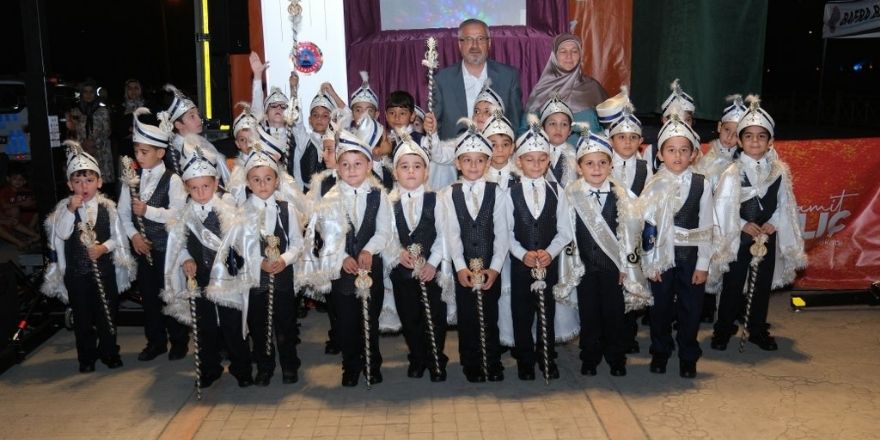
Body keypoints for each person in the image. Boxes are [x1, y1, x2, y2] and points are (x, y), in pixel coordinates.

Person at [710, 96, 806, 352]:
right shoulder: (732, 172)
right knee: (733, 284)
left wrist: (774, 222)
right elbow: (723, 206)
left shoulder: (779, 171)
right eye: (749, 136)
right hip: (740, 238)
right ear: (740, 141)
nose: (755, 141)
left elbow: (785, 203)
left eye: (761, 136)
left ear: (770, 141)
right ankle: (723, 329)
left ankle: (756, 329)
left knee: (761, 285)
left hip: (766, 237)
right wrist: (742, 224)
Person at [302, 128, 393, 387]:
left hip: (370, 266)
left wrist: (368, 250)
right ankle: (350, 366)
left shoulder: (379, 195)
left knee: (369, 319)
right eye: (345, 165)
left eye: (357, 164)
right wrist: (342, 257)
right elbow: (326, 234)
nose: (351, 170)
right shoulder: (330, 198)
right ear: (338, 168)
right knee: (347, 321)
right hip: (341, 269)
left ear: (368, 165)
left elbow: (384, 231)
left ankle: (372, 364)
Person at [161, 137, 254, 388]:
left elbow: (239, 240)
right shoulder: (185, 213)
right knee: (204, 327)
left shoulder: (228, 208)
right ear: (186, 188)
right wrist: (186, 259)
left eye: (205, 186)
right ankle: (209, 369)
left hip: (226, 277)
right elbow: (178, 243)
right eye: (194, 188)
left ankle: (242, 367)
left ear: (215, 183)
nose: (201, 193)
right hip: (200, 278)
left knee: (233, 325)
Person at [42, 140, 136, 373]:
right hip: (77, 274)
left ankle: (109, 352)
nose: (84, 186)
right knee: (82, 317)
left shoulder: (108, 208)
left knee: (107, 313)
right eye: (78, 181)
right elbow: (62, 234)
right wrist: (70, 211)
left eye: (89, 181)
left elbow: (117, 238)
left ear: (99, 182)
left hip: (104, 272)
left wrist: (103, 248)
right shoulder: (63, 209)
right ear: (69, 184)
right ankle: (86, 356)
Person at [565, 125, 649, 377]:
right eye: (589, 163)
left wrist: (626, 267)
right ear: (579, 167)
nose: (597, 168)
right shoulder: (571, 195)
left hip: (614, 269)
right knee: (589, 315)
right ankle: (589, 357)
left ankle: (616, 357)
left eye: (602, 162)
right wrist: (572, 266)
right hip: (585, 268)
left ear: (611, 165)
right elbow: (567, 232)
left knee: (614, 316)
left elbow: (629, 234)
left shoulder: (620, 194)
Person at [639, 111, 714, 378]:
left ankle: (688, 355)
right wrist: (650, 264)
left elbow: (707, 225)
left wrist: (703, 264)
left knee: (690, 309)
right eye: (671, 150)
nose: (678, 156)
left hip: (690, 258)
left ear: (693, 154)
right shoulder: (653, 184)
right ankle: (660, 351)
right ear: (660, 154)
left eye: (684, 150)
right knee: (659, 308)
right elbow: (647, 227)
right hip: (661, 258)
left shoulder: (702, 184)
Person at [118, 108, 190, 362]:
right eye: (136, 151)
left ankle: (179, 340)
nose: (138, 156)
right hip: (143, 248)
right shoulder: (131, 179)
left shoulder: (173, 180)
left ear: (160, 153)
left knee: (171, 293)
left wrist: (148, 211)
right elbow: (123, 214)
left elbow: (177, 215)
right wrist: (134, 237)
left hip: (167, 249)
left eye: (144, 152)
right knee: (149, 298)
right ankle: (155, 341)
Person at [505, 117, 573, 381]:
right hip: (521, 266)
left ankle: (547, 357)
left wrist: (550, 253)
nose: (536, 164)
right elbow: (506, 232)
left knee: (547, 312)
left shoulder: (557, 191)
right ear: (519, 161)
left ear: (548, 160)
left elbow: (565, 230)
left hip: (547, 264)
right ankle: (525, 360)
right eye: (529, 159)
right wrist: (523, 254)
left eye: (542, 159)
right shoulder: (510, 193)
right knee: (521, 313)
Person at [441, 120, 509, 382]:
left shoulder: (497, 192)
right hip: (465, 268)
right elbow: (451, 234)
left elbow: (502, 233)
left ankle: (492, 361)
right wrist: (460, 267)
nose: (473, 165)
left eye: (479, 160)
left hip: (490, 266)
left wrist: (495, 268)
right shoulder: (449, 194)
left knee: (490, 315)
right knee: (468, 317)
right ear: (457, 163)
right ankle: (471, 362)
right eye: (467, 160)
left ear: (488, 163)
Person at [387, 130, 451, 382]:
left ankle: (436, 358)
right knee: (410, 316)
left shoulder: (437, 200)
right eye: (404, 167)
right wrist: (398, 253)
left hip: (431, 271)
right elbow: (386, 235)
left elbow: (444, 234)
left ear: (426, 172)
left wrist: (433, 264)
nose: (411, 171)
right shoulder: (388, 202)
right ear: (395, 172)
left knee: (435, 316)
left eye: (417, 166)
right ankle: (417, 356)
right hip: (402, 272)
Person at [238, 143, 304, 386]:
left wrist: (284, 259)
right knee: (259, 326)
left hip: (283, 277)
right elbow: (239, 247)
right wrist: (259, 263)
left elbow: (297, 243)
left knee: (285, 324)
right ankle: (265, 366)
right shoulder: (242, 212)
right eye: (256, 180)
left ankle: (290, 364)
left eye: (268, 178)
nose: (263, 184)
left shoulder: (287, 209)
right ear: (248, 183)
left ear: (276, 181)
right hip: (257, 280)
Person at [596, 86, 652, 354]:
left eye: (633, 137)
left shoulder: (645, 168)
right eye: (621, 137)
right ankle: (607, 335)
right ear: (611, 139)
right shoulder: (602, 166)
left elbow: (649, 200)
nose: (627, 143)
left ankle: (628, 335)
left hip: (634, 238)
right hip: (607, 237)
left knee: (632, 283)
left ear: (640, 140)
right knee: (609, 288)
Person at [694, 94, 748, 323]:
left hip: (735, 222)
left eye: (737, 134)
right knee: (710, 261)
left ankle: (734, 307)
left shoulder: (743, 162)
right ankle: (706, 307)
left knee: (735, 265)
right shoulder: (705, 158)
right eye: (727, 131)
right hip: (710, 221)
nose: (730, 138)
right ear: (719, 127)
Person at [432, 18, 522, 140]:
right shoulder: (442, 80)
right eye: (469, 39)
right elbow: (435, 128)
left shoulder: (508, 76)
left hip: (496, 150)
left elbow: (515, 124)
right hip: (453, 150)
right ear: (460, 44)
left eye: (480, 39)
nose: (475, 46)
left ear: (489, 43)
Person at [524, 33, 607, 140]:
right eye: (563, 51)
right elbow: (526, 130)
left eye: (574, 51)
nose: (569, 56)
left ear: (580, 55)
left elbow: (611, 125)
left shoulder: (593, 87)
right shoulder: (542, 89)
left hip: (593, 149)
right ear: (554, 55)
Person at [162, 84, 231, 186]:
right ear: (179, 125)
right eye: (192, 116)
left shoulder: (202, 142)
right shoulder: (175, 154)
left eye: (197, 114)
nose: (199, 120)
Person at [642, 79, 696, 172]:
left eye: (687, 120)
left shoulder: (696, 150)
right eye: (676, 119)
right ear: (665, 120)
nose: (682, 124)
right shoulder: (651, 151)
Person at [68, 79, 115, 183]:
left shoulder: (103, 111)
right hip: (82, 151)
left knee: (101, 182)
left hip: (101, 152)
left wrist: (94, 144)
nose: (88, 95)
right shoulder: (75, 112)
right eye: (85, 92)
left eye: (91, 92)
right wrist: (83, 144)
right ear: (81, 94)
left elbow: (107, 132)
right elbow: (73, 133)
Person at [540, 96, 578, 187]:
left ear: (570, 130)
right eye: (552, 123)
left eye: (564, 124)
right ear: (543, 128)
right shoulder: (534, 153)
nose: (558, 129)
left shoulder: (577, 156)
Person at [482, 108, 518, 191]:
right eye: (494, 145)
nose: (500, 149)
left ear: (512, 148)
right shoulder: (478, 177)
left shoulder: (520, 178)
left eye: (505, 144)